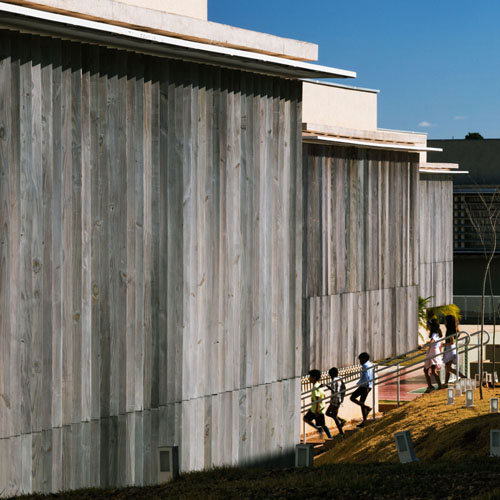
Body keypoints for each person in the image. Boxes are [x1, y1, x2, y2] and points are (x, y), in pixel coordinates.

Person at [303, 369, 332, 439]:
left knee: (323, 425)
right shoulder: (319, 385)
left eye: (310, 377)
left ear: (314, 378)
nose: (309, 378)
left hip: (316, 409)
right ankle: (320, 430)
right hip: (314, 408)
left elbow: (318, 399)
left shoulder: (316, 387)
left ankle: (330, 438)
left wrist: (317, 410)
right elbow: (323, 395)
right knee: (306, 418)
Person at [350, 352, 373, 428]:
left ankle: (367, 408)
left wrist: (366, 386)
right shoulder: (370, 364)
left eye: (361, 360)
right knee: (361, 402)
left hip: (365, 386)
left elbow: (366, 377)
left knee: (352, 398)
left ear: (364, 359)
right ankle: (364, 420)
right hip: (368, 385)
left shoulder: (365, 366)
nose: (360, 362)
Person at [443, 314, 465, 387]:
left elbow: (451, 341)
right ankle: (446, 382)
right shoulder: (453, 330)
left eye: (445, 321)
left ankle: (462, 376)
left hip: (450, 349)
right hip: (450, 349)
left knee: (447, 367)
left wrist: (443, 345)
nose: (444, 322)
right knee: (447, 367)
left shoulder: (450, 331)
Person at [422, 318, 443, 393]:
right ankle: (431, 386)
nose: (427, 326)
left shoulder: (434, 334)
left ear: (432, 326)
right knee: (427, 370)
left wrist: (423, 345)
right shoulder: (437, 333)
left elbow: (432, 341)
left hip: (433, 352)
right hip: (433, 351)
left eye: (428, 325)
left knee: (431, 370)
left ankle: (438, 386)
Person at [326, 367, 347, 436]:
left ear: (332, 374)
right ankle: (341, 420)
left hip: (336, 400)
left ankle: (341, 432)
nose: (330, 376)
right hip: (335, 400)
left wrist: (329, 388)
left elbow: (335, 391)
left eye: (330, 375)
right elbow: (343, 388)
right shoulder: (339, 379)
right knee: (328, 413)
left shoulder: (334, 380)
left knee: (334, 416)